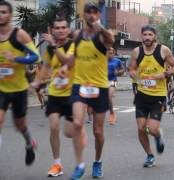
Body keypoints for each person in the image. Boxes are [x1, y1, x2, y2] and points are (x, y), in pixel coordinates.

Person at [59, 2, 114, 179]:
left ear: (98, 15)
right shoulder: (77, 35)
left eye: (94, 12)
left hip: (100, 88)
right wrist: (64, 68)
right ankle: (80, 164)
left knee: (98, 131)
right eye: (88, 12)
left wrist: (101, 28)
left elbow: (111, 41)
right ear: (83, 15)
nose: (91, 15)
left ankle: (97, 162)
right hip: (80, 86)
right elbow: (71, 60)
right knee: (77, 124)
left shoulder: (103, 35)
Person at [128, 25, 174, 168]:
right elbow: (131, 69)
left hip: (158, 96)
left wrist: (164, 74)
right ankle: (150, 155)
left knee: (152, 129)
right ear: (141, 36)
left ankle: (158, 135)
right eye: (145, 34)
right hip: (142, 95)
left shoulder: (163, 50)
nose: (147, 37)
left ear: (154, 36)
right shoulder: (137, 52)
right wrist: (136, 77)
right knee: (141, 128)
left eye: (150, 34)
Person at [31, 17, 75, 177]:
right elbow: (46, 67)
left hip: (72, 95)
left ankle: (78, 128)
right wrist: (37, 82)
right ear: (53, 30)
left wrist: (54, 45)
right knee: (54, 126)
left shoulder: (73, 45)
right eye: (57, 28)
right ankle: (57, 164)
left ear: (68, 30)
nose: (61, 30)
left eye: (64, 27)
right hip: (55, 94)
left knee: (69, 133)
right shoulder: (50, 49)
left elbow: (68, 62)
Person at [0, 0, 39, 165]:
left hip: (18, 88)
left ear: (10, 15)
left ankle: (29, 143)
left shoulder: (19, 35)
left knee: (20, 125)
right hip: (1, 88)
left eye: (3, 12)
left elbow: (36, 57)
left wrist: (15, 59)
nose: (0, 15)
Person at [107, 47, 124, 125]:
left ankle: (112, 113)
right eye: (108, 52)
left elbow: (122, 70)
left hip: (113, 81)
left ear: (114, 53)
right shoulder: (102, 60)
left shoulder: (117, 61)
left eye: (111, 53)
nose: (109, 54)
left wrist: (118, 72)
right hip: (102, 81)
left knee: (109, 97)